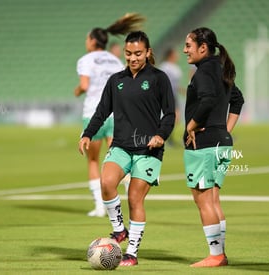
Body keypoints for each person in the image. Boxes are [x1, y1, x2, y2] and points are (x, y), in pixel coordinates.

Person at [79, 31, 175, 266]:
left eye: (138, 54)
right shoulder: (116, 80)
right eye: (129, 53)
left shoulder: (159, 78)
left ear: (148, 52)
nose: (133, 58)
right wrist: (87, 134)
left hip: (148, 150)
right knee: (107, 182)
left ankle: (131, 252)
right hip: (121, 146)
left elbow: (170, 114)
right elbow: (102, 110)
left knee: (134, 198)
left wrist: (161, 135)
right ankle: (119, 230)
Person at [182, 27, 244, 268]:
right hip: (221, 142)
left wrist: (191, 125)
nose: (185, 50)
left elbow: (207, 100)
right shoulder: (221, 69)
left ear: (203, 48)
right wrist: (224, 129)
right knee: (214, 199)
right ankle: (221, 254)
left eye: (189, 45)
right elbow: (238, 100)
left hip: (205, 145)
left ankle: (216, 255)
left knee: (204, 200)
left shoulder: (204, 72)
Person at [74, 13, 145, 217]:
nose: (86, 42)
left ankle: (99, 206)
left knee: (93, 161)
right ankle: (132, 199)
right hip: (116, 115)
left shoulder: (86, 59)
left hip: (94, 115)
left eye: (87, 38)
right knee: (121, 158)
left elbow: (85, 85)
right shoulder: (114, 60)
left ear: (93, 41)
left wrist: (77, 90)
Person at [159, 47, 184, 146]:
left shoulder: (175, 67)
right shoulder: (165, 67)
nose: (178, 56)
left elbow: (175, 84)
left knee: (176, 117)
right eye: (175, 53)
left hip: (174, 95)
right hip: (167, 95)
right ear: (171, 55)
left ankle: (168, 137)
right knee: (173, 116)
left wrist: (182, 90)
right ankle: (167, 138)